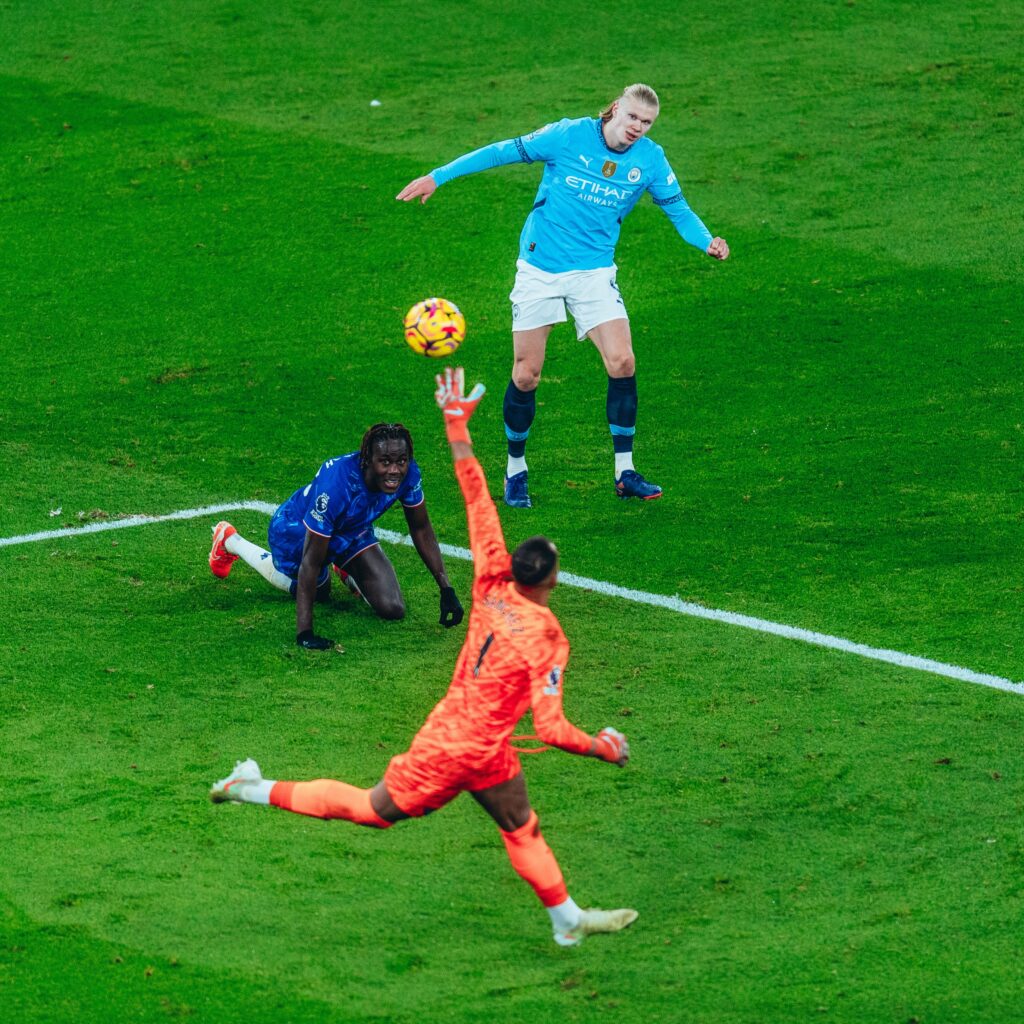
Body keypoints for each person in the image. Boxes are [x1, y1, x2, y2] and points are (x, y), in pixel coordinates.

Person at [211, 368, 637, 946]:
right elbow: (554, 727)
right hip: (452, 748)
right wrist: (603, 747)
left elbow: (476, 494)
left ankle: (569, 922)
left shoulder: (490, 578)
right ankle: (249, 786)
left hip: (485, 747)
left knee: (521, 826)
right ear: (553, 580)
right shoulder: (547, 636)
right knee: (369, 810)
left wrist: (456, 423)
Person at [397, 83, 729, 508]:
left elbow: (678, 209)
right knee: (526, 374)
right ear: (614, 110)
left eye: (646, 123)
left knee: (623, 361)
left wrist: (706, 242)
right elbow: (501, 151)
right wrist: (437, 177)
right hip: (540, 269)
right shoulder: (567, 136)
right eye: (632, 118)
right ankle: (515, 468)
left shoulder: (650, 160)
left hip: (594, 271)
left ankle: (624, 472)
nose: (637, 129)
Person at [208, 422, 463, 649]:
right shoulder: (337, 486)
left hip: (352, 528)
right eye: (385, 462)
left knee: (393, 608)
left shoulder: (409, 474)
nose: (395, 470)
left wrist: (446, 588)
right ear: (367, 459)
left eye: (401, 461)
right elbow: (310, 560)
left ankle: (346, 567)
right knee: (320, 592)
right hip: (296, 531)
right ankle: (230, 540)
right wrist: (305, 633)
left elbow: (420, 528)